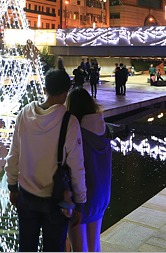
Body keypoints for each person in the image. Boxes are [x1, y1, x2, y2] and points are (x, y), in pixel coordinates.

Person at [5, 62, 87, 252]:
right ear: (67, 91)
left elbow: (13, 154)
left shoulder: (24, 114)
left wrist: (12, 185)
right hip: (56, 200)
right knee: (54, 248)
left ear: (44, 89)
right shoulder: (69, 121)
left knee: (26, 247)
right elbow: (77, 166)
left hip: (25, 195)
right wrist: (80, 202)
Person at [66, 88, 111, 252]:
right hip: (101, 196)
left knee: (79, 248)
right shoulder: (103, 128)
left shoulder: (76, 133)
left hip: (82, 196)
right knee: (94, 246)